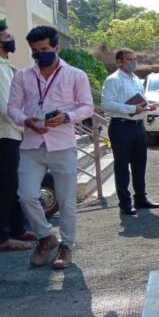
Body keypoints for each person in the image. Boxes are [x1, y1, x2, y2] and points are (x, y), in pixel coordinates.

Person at [8, 25, 94, 268]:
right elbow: (13, 107)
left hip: (63, 144)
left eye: (44, 49)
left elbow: (87, 107)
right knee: (25, 196)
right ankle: (46, 237)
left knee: (66, 201)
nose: (39, 54)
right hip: (32, 144)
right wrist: (25, 120)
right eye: (35, 50)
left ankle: (66, 246)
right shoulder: (23, 76)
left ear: (56, 47)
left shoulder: (75, 74)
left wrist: (66, 117)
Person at [101, 48, 159, 215]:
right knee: (122, 165)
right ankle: (124, 202)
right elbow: (106, 103)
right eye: (129, 59)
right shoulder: (113, 80)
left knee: (140, 163)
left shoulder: (135, 79)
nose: (133, 62)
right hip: (121, 126)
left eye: (135, 58)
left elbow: (140, 99)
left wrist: (147, 106)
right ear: (119, 62)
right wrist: (131, 108)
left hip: (138, 126)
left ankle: (141, 198)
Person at [0, 24, 36, 252]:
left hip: (12, 134)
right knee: (4, 187)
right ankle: (3, 237)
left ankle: (16, 228)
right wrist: (26, 127)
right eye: (6, 36)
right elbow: (5, 107)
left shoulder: (6, 66)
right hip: (5, 136)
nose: (11, 38)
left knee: (12, 185)